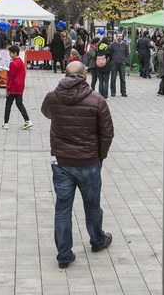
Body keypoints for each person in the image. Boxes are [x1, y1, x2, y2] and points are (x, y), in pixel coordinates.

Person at [41, 61, 115, 268]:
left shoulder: (52, 97)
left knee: (62, 208)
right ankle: (97, 239)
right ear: (85, 75)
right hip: (89, 161)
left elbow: (46, 113)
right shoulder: (97, 100)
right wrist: (100, 156)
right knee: (92, 206)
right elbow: (107, 133)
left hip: (61, 162)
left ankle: (64, 254)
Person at [2, 45, 32, 130]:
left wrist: (8, 87)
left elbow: (11, 77)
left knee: (8, 104)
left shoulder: (13, 63)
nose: (9, 54)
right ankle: (27, 120)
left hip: (13, 86)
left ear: (15, 53)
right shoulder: (21, 62)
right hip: (20, 86)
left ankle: (6, 123)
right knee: (19, 103)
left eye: (10, 53)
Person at [108, 33, 129, 97]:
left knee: (123, 78)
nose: (120, 37)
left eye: (121, 36)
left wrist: (125, 61)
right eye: (118, 36)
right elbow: (109, 53)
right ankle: (113, 92)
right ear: (116, 37)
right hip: (114, 63)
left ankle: (123, 92)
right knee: (113, 78)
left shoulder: (125, 45)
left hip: (122, 63)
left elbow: (127, 54)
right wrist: (112, 61)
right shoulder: (112, 45)